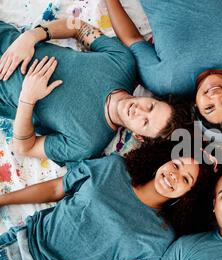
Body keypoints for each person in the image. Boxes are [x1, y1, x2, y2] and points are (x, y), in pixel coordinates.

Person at [0, 140, 222, 260]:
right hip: (19, 254)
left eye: (186, 178)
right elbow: (56, 187)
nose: (174, 175)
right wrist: (3, 199)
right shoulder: (114, 167)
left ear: (189, 196)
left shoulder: (162, 237)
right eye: (176, 164)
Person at [0, 19, 191, 164]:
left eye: (145, 122)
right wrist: (31, 36)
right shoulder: (123, 63)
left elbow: (25, 147)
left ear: (139, 136)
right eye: (150, 106)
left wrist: (27, 98)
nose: (138, 110)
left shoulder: (87, 143)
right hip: (7, 39)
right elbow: (78, 27)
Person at [105, 0, 222, 142]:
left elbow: (131, 39)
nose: (215, 95)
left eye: (209, 107)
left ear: (196, 107)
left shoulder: (165, 81)